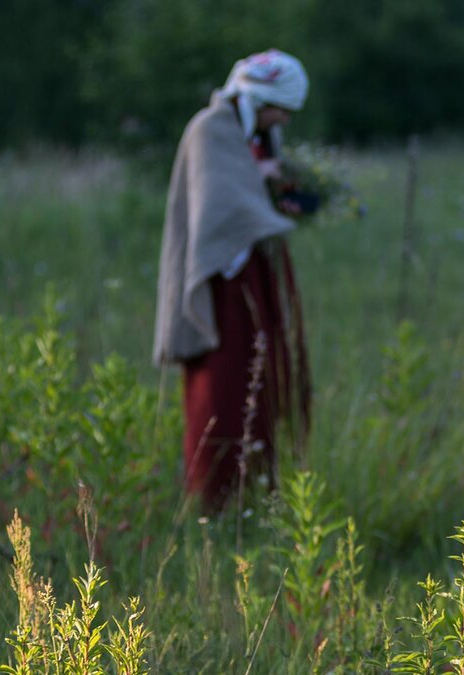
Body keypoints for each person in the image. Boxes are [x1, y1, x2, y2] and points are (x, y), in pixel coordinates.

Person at [154, 49, 313, 513]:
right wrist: (262, 185)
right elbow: (220, 209)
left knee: (259, 383)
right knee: (220, 385)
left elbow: (253, 197)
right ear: (257, 97)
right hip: (221, 282)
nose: (283, 117)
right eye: (279, 106)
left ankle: (258, 493)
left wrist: (286, 194)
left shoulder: (259, 133)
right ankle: (215, 501)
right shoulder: (210, 130)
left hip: (254, 276)